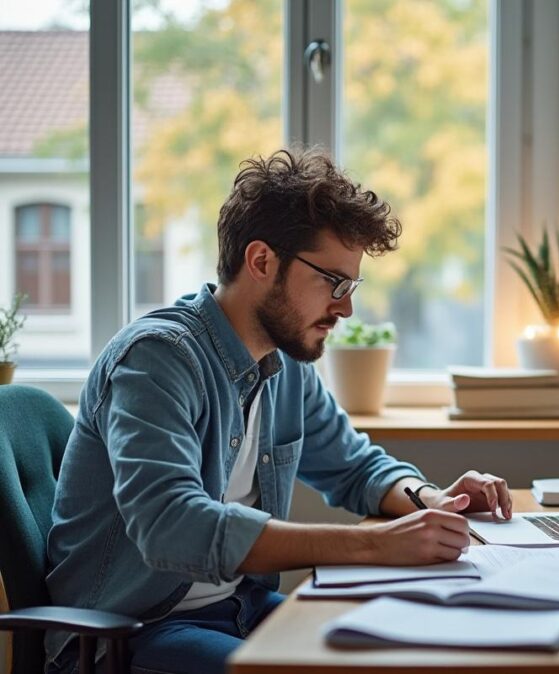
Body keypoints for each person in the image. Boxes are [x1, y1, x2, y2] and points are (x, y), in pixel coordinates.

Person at [45, 149, 513, 674]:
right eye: (334, 283)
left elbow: (357, 467)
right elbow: (171, 525)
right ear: (262, 261)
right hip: (130, 635)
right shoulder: (157, 359)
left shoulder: (284, 365)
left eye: (352, 287)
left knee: (404, 653)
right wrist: (370, 544)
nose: (346, 307)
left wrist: (433, 498)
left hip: (239, 610)